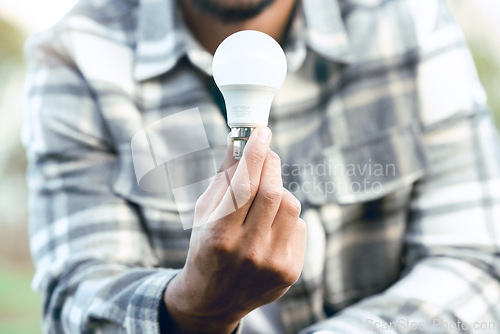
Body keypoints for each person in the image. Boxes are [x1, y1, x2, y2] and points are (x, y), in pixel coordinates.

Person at [23, 0, 500, 333]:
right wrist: (191, 309)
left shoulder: (409, 20)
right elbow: (76, 297)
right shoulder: (77, 52)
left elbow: (478, 266)